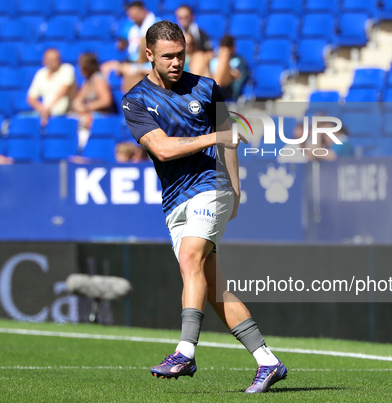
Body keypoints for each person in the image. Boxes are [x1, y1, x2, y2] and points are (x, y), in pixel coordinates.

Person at [122, 20, 287, 393]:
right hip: (174, 198)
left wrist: (237, 192)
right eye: (168, 56)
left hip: (210, 186)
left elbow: (230, 142)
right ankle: (268, 361)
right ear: (149, 55)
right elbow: (162, 148)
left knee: (190, 259)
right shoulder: (135, 100)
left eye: (181, 54)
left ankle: (184, 351)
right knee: (212, 289)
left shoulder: (207, 88)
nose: (177, 62)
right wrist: (214, 135)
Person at [101, 1, 159, 92]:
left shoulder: (156, 24)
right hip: (133, 60)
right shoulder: (130, 26)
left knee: (131, 74)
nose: (134, 17)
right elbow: (121, 45)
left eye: (136, 14)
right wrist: (122, 43)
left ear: (143, 11)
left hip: (149, 61)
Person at [72, 53, 116, 147]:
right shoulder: (87, 81)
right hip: (87, 116)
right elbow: (79, 98)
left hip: (101, 117)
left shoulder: (98, 78)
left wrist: (87, 107)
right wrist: (78, 105)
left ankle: (83, 149)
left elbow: (106, 100)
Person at [27, 48, 77, 126]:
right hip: (46, 114)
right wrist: (42, 110)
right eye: (51, 59)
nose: (54, 61)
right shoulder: (41, 74)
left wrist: (49, 108)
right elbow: (31, 97)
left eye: (56, 58)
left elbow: (64, 90)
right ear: (44, 61)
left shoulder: (67, 69)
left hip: (66, 114)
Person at [210, 36, 249, 101]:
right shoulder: (214, 60)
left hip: (228, 88)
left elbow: (238, 75)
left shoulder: (239, 60)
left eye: (228, 48)